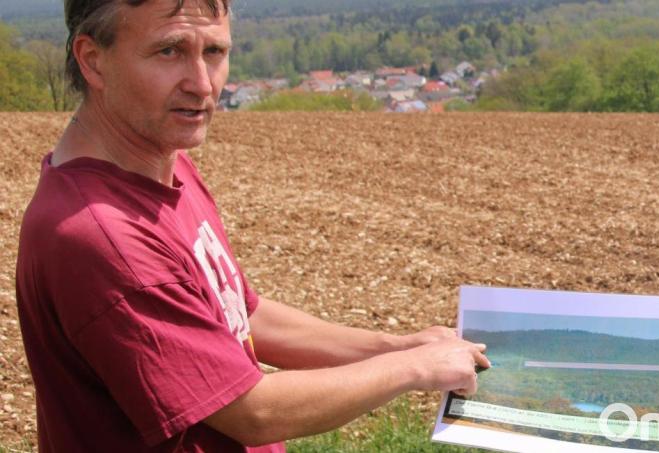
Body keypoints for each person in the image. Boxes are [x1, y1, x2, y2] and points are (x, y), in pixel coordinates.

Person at [14, 0, 489, 451]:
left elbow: (239, 313)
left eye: (215, 52)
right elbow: (252, 411)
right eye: (169, 51)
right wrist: (412, 368)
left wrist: (393, 346)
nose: (202, 84)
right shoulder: (104, 234)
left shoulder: (160, 163)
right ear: (93, 61)